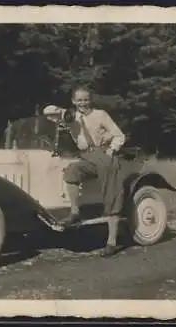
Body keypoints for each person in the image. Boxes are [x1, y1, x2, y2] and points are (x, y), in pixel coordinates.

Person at [44, 86, 126, 257]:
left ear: (91, 100)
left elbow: (119, 135)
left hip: (104, 155)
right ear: (73, 101)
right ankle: (75, 212)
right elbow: (48, 112)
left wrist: (111, 150)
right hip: (87, 157)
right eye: (79, 100)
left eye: (86, 99)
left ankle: (112, 242)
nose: (83, 103)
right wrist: (61, 111)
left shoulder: (100, 114)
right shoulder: (70, 117)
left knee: (112, 195)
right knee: (72, 171)